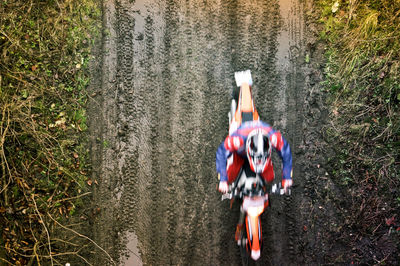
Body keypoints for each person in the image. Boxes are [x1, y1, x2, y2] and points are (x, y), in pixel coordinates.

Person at [216, 120, 293, 240]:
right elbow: (221, 153)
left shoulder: (274, 138)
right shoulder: (237, 141)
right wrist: (223, 180)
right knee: (230, 175)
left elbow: (286, 152)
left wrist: (287, 177)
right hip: (240, 155)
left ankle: (262, 192)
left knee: (269, 176)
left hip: (261, 159)